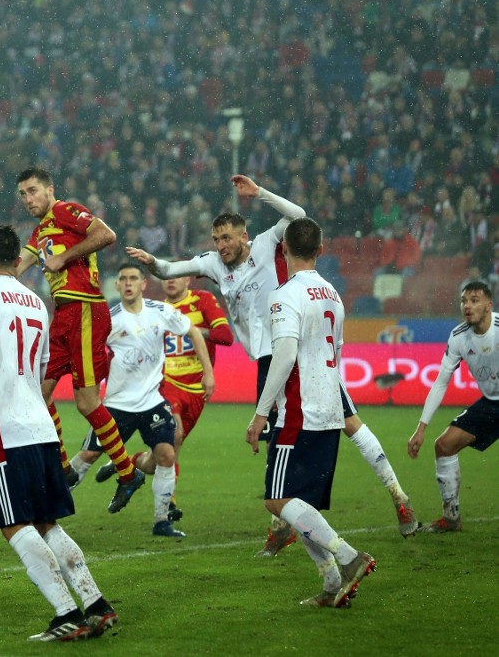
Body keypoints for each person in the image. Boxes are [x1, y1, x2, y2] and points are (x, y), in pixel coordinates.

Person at [128, 174, 418, 556]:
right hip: (282, 357)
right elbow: (167, 270)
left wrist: (260, 193)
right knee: (335, 425)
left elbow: (298, 216)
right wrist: (151, 263)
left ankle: (323, 512)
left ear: (243, 236)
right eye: (216, 240)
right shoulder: (213, 264)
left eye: (227, 238)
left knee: (306, 432)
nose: (221, 246)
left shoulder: (267, 244)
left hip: (285, 353)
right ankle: (313, 515)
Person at [0, 225, 117, 641]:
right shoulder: (36, 301)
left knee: (14, 524)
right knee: (47, 522)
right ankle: (96, 604)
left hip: (5, 430)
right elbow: (47, 361)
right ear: (18, 260)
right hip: (41, 425)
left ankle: (65, 612)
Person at [0, 166, 145, 514]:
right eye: (23, 194)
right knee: (38, 393)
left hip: (87, 310)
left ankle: (127, 472)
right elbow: (15, 268)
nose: (28, 199)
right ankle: (61, 468)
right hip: (62, 315)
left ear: (49, 189)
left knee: (87, 403)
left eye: (33, 191)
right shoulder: (41, 229)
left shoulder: (64, 210)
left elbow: (106, 235)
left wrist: (63, 257)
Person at [246, 217, 376, 609]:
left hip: (297, 413)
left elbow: (284, 355)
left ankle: (350, 557)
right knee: (303, 505)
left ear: (283, 249)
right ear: (321, 250)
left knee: (277, 500)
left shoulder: (284, 295)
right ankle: (332, 583)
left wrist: (260, 414)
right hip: (330, 407)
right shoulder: (333, 294)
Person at [67, 263, 214, 538]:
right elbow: (89, 351)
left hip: (152, 402)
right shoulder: (109, 320)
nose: (128, 283)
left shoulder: (160, 311)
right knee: (88, 455)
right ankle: (51, 509)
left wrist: (208, 372)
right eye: (123, 279)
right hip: (116, 405)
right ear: (117, 285)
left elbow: (193, 331)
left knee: (166, 455)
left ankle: (162, 522)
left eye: (134, 278)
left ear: (144, 284)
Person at [93, 274, 233, 522]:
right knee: (175, 435)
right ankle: (168, 506)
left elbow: (225, 336)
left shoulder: (200, 302)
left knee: (160, 458)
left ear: (188, 280)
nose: (170, 281)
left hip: (195, 390)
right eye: (165, 278)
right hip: (164, 384)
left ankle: (128, 463)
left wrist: (188, 329)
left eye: (177, 276)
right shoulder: (154, 310)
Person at [407, 281, 499, 532]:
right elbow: (440, 383)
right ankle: (451, 518)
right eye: (464, 300)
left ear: (489, 305)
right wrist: (421, 427)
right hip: (492, 405)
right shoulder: (459, 337)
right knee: (444, 445)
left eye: (475, 300)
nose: (467, 306)